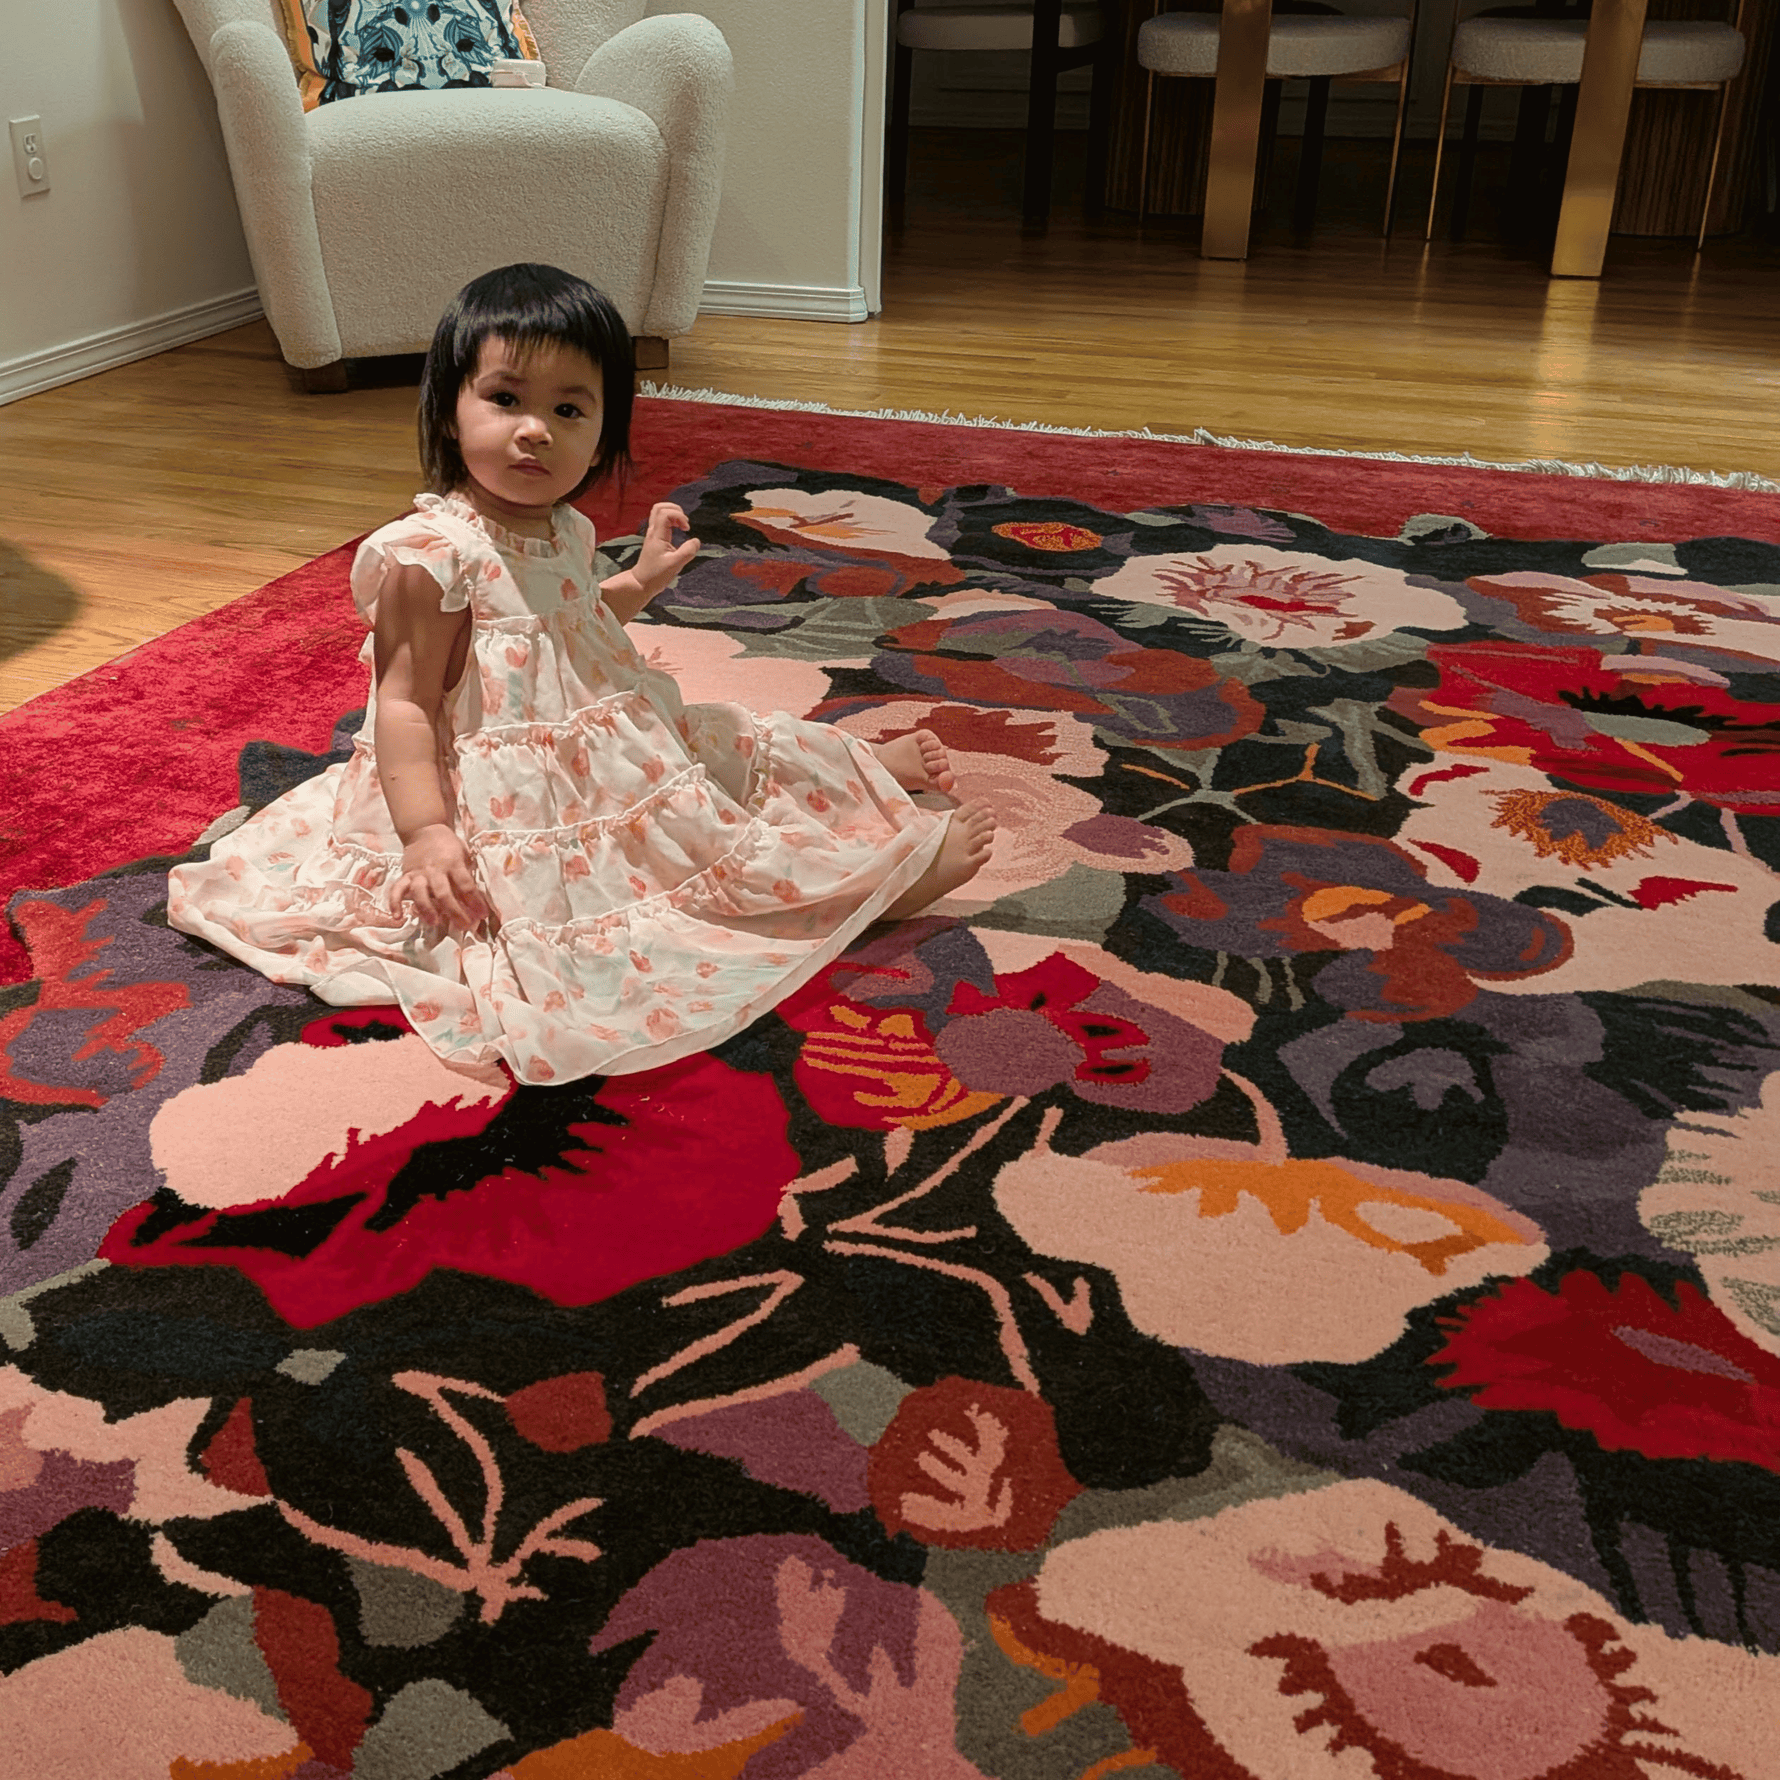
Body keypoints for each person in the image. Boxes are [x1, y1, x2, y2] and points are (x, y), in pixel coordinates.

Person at [168, 263, 995, 1084]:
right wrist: (426, 834)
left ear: (605, 433)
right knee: (617, 875)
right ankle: (864, 890)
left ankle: (859, 771)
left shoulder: (561, 528)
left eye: (569, 409)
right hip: (494, 789)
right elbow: (408, 706)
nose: (537, 430)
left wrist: (639, 584)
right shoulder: (432, 559)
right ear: (449, 411)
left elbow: (564, 634)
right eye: (506, 399)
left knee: (716, 743)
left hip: (599, 744)